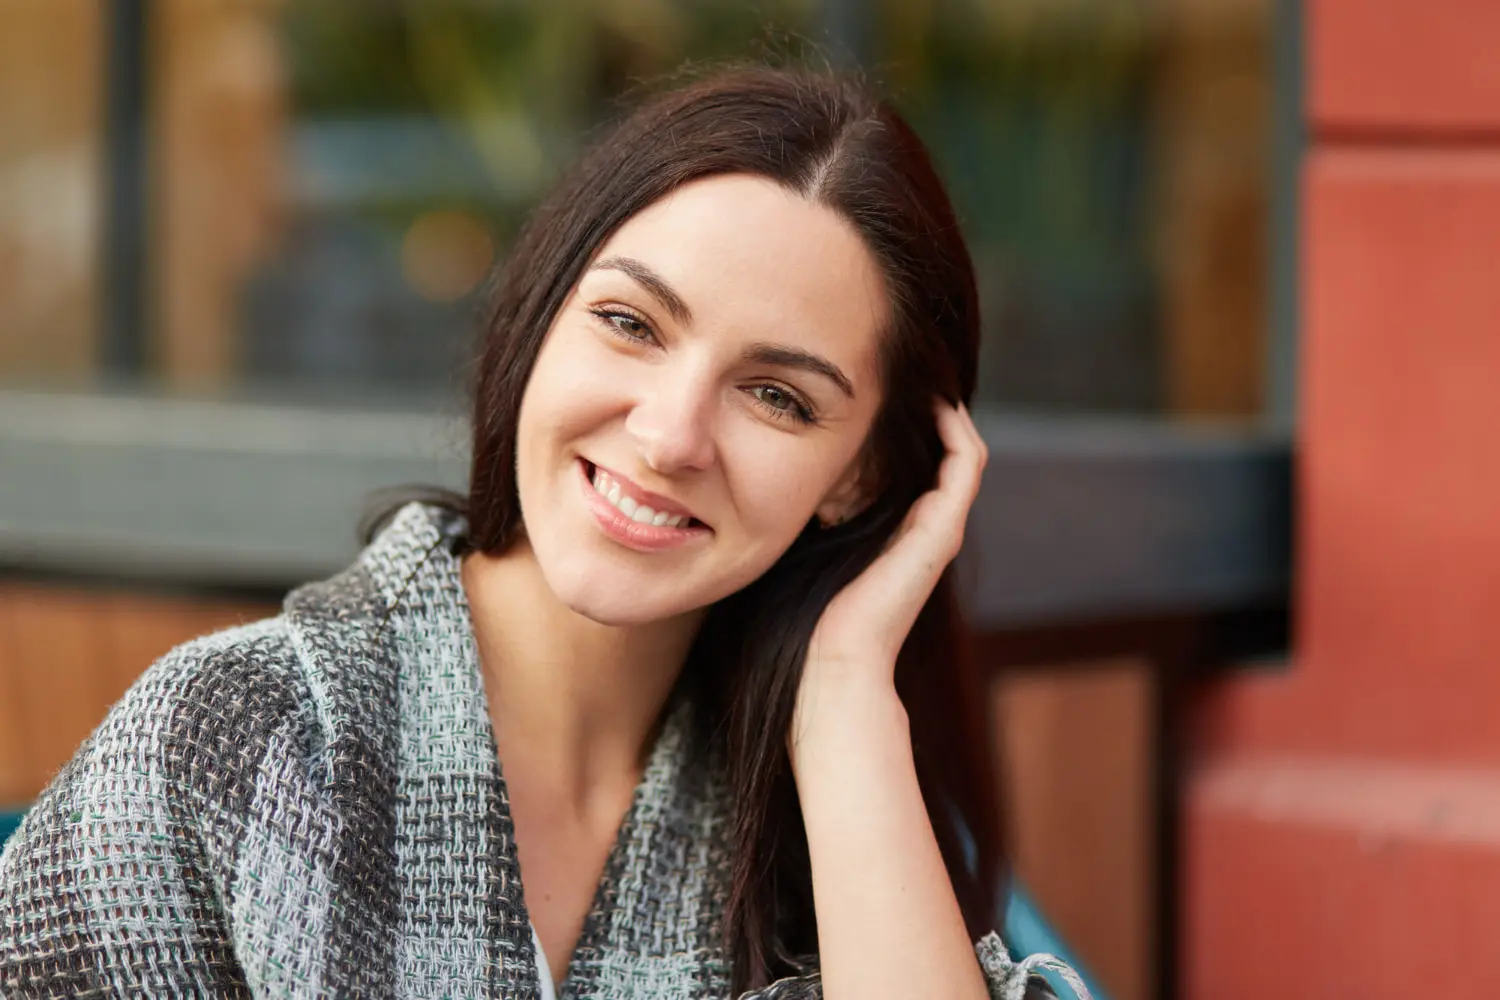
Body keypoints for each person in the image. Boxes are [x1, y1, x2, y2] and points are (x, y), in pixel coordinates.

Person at [0, 66, 1090, 1000]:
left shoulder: (845, 825)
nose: (669, 436)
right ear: (542, 313)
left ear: (857, 477)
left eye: (777, 397)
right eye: (630, 323)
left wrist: (848, 689)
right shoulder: (235, 744)